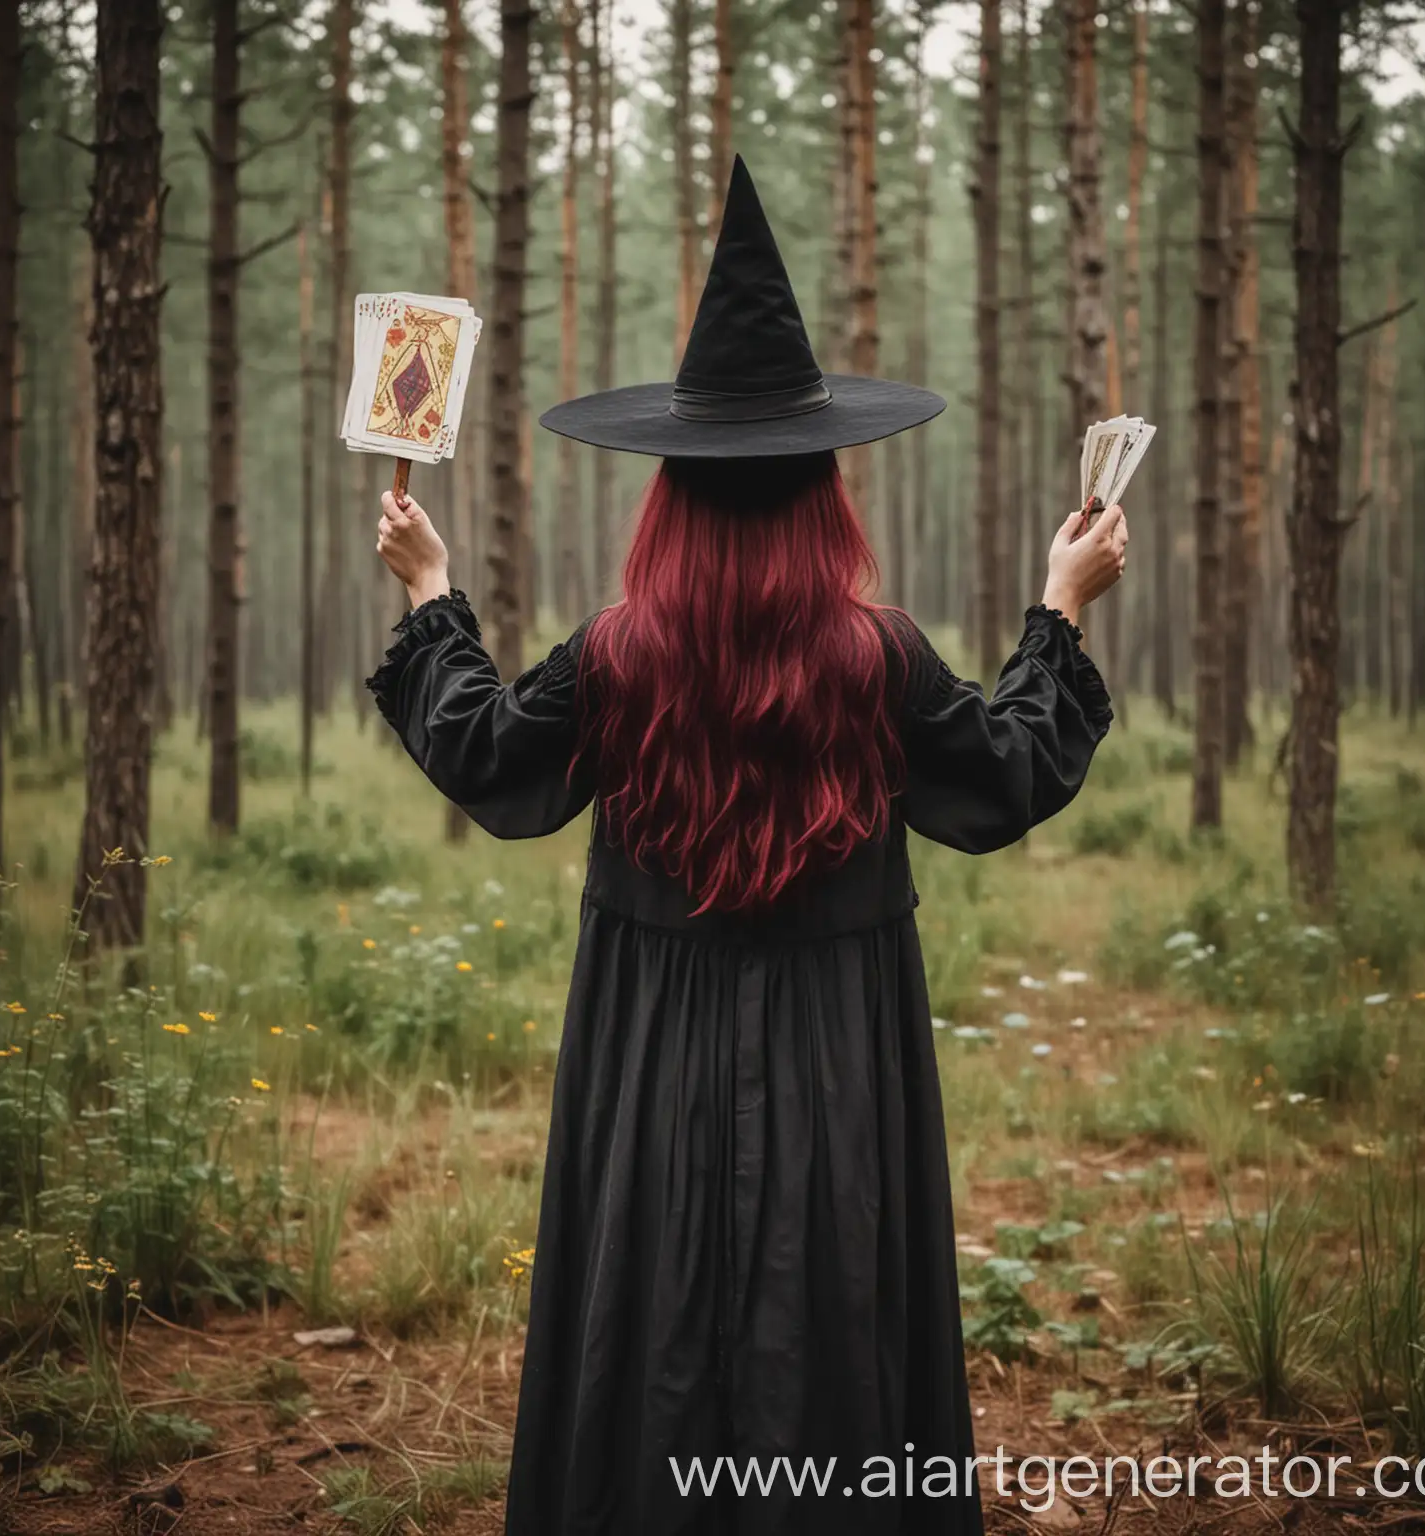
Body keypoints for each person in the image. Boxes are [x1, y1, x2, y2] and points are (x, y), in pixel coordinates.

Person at [368, 156, 1126, 1536]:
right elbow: (1003, 780)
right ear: (823, 489)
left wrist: (431, 596)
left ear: (671, 490)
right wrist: (1058, 611)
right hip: (841, 1050)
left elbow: (489, 761)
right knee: (830, 1294)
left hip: (649, 1047)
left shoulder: (621, 651)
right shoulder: (873, 654)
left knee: (648, 1300)